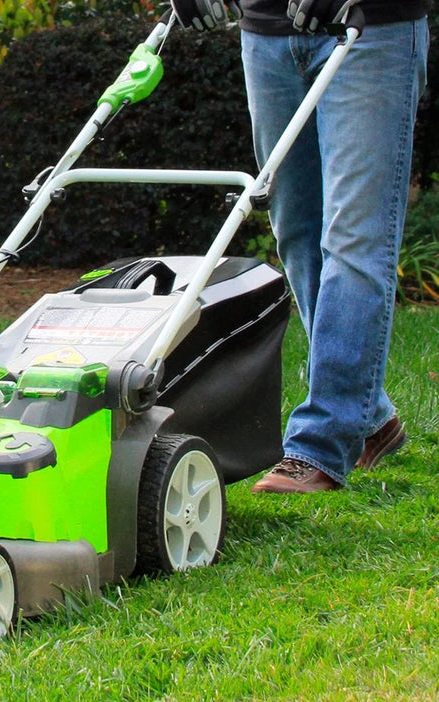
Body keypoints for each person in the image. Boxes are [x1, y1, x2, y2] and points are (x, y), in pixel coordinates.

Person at [171, 0, 429, 493]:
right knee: (296, 230)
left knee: (355, 239)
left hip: (370, 29)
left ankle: (320, 444)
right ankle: (368, 415)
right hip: (266, 33)